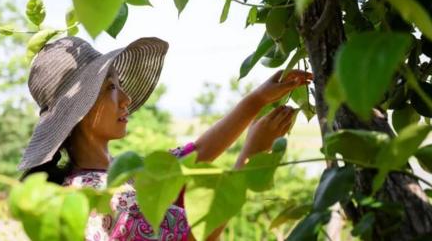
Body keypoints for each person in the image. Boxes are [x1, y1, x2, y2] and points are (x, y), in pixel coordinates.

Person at [18, 36, 312, 241]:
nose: (126, 98)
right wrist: (252, 158)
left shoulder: (121, 171)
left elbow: (196, 154)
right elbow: (200, 233)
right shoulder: (96, 196)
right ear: (79, 109)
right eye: (110, 88)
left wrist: (257, 99)